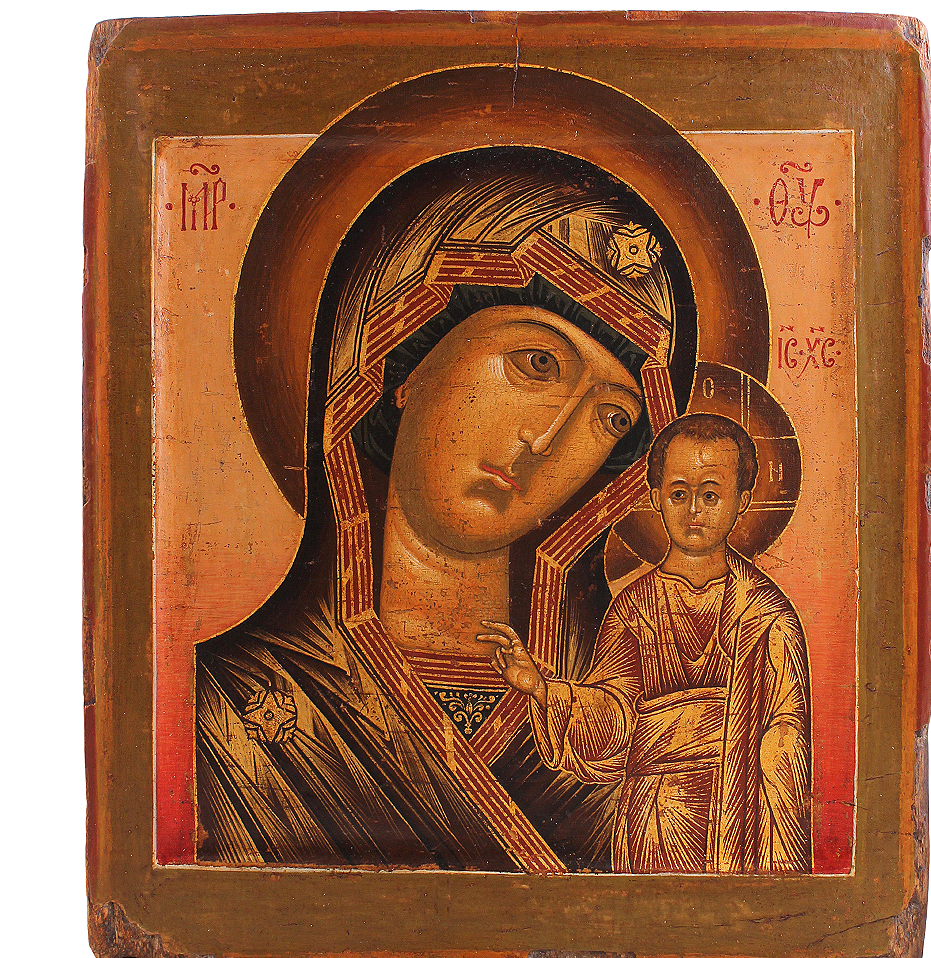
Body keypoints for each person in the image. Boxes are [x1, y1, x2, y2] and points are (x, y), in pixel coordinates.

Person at [194, 148, 698, 870]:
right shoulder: (223, 708)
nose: (546, 441)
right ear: (403, 362)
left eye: (610, 417)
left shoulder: (627, 725)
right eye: (537, 363)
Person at [479, 413, 812, 873]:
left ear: (743, 501)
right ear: (655, 498)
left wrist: (779, 866)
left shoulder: (767, 616)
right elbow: (615, 716)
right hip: (652, 820)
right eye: (678, 493)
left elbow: (786, 741)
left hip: (740, 821)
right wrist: (542, 688)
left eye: (711, 494)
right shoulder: (634, 609)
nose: (694, 509)